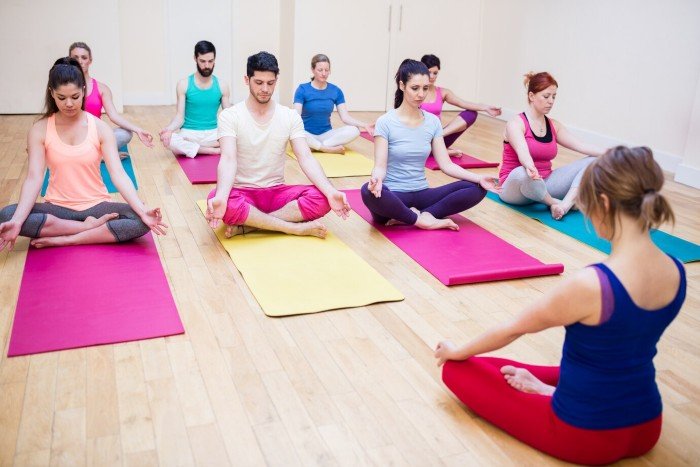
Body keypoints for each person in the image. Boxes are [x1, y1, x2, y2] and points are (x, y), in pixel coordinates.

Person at [434, 146, 685, 465]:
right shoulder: (676, 270)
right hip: (648, 424)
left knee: (461, 368)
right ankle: (550, 390)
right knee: (523, 366)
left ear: (604, 204)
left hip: (586, 436)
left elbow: (512, 329)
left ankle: (548, 393)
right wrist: (542, 387)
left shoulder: (592, 284)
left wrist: (455, 352)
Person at [0, 58, 167, 251]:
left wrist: (142, 210)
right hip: (58, 208)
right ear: (51, 93)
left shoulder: (100, 128)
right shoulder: (40, 129)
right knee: (8, 215)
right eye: (61, 98)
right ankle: (85, 229)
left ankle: (67, 238)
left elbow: (118, 174)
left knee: (140, 220)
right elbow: (34, 178)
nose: (69, 103)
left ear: (84, 91)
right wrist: (18, 221)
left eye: (75, 96)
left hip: (96, 206)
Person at [205, 52, 350, 239]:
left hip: (277, 194)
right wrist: (222, 197)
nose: (265, 88)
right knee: (215, 198)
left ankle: (252, 226)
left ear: (276, 80)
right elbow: (228, 158)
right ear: (246, 80)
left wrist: (331, 192)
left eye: (270, 83)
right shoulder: (229, 116)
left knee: (323, 197)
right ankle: (292, 228)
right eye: (258, 83)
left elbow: (305, 157)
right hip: (243, 194)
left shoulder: (289, 116)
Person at [360, 59, 499, 231]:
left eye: (425, 88)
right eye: (415, 88)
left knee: (477, 188)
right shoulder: (385, 122)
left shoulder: (432, 122)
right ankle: (418, 219)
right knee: (367, 191)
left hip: (422, 194)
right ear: (402, 86)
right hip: (394, 196)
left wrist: (479, 178)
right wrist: (377, 180)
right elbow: (380, 166)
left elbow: (446, 164)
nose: (421, 94)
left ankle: (424, 215)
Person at [499, 71, 606, 220]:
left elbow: (580, 145)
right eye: (546, 96)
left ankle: (565, 205)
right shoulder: (515, 123)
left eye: (554, 97)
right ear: (531, 96)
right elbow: (522, 151)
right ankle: (553, 202)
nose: (551, 101)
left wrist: (613, 153)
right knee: (522, 172)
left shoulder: (553, 125)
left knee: (595, 160)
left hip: (544, 184)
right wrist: (530, 167)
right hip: (516, 188)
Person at [69, 42, 154, 157]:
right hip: (73, 137)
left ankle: (95, 154)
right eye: (75, 58)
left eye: (84, 57)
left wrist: (138, 130)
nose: (80, 61)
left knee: (125, 134)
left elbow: (114, 116)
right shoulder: (64, 88)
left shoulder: (102, 88)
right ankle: (100, 155)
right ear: (69, 60)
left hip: (94, 136)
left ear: (90, 60)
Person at [159, 40, 231, 158]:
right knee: (170, 140)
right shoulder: (184, 84)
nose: (207, 65)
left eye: (210, 61)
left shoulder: (222, 85)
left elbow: (229, 116)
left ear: (214, 60)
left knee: (237, 138)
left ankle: (198, 146)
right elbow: (179, 117)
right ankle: (212, 150)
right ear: (195, 58)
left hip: (213, 133)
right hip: (189, 132)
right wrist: (168, 129)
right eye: (202, 61)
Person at [420, 54, 501, 157]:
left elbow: (464, 103)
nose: (432, 76)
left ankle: (439, 144)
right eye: (428, 72)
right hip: (420, 139)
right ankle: (443, 152)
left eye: (435, 73)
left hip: (439, 138)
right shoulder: (416, 92)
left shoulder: (443, 92)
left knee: (471, 114)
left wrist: (486, 108)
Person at [293, 54, 373, 154]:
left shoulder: (336, 91)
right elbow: (295, 118)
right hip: (307, 134)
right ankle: (325, 148)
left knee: (354, 130)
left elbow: (345, 118)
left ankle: (318, 147)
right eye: (320, 70)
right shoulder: (302, 89)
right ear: (313, 70)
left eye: (326, 70)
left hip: (326, 135)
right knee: (293, 131)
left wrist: (364, 125)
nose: (324, 73)